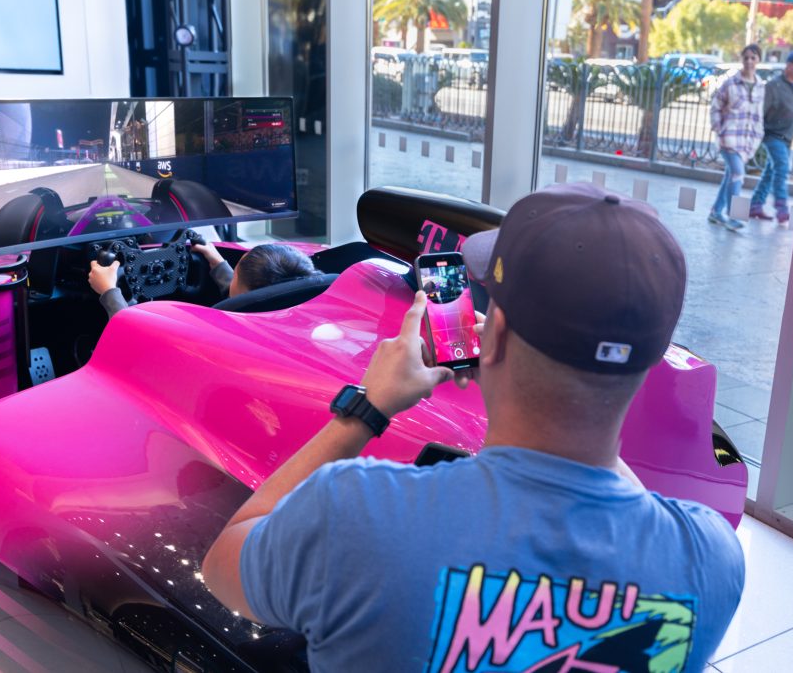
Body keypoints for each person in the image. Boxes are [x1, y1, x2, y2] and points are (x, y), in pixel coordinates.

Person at [201, 183, 745, 672]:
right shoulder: (710, 559)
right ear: (649, 362)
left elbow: (225, 564)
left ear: (496, 334)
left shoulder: (356, 515)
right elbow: (619, 495)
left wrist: (368, 408)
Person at [88, 241, 320, 318]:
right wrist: (217, 261)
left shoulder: (218, 335)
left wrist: (109, 291)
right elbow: (251, 299)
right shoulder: (304, 308)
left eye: (235, 272)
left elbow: (139, 344)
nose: (232, 276)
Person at [749, 50, 793, 223]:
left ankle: (755, 205)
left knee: (770, 172)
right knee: (782, 168)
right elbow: (760, 112)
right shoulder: (773, 86)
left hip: (787, 138)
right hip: (772, 135)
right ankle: (782, 208)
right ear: (789, 65)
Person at [708, 44, 765, 232]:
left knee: (730, 175)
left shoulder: (760, 86)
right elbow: (715, 106)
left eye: (753, 58)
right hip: (729, 138)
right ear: (741, 59)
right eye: (746, 57)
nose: (749, 61)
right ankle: (733, 216)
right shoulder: (730, 83)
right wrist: (719, 128)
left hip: (747, 142)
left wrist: (758, 135)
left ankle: (716, 212)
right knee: (738, 174)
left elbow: (758, 115)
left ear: (758, 60)